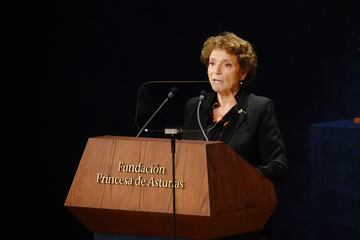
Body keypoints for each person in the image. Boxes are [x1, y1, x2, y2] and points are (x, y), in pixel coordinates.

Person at [183, 32, 288, 239]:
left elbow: (279, 165)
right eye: (212, 64)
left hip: (241, 215)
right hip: (198, 215)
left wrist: (240, 178)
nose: (216, 71)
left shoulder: (259, 108)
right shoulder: (194, 106)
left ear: (243, 73)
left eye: (227, 65)